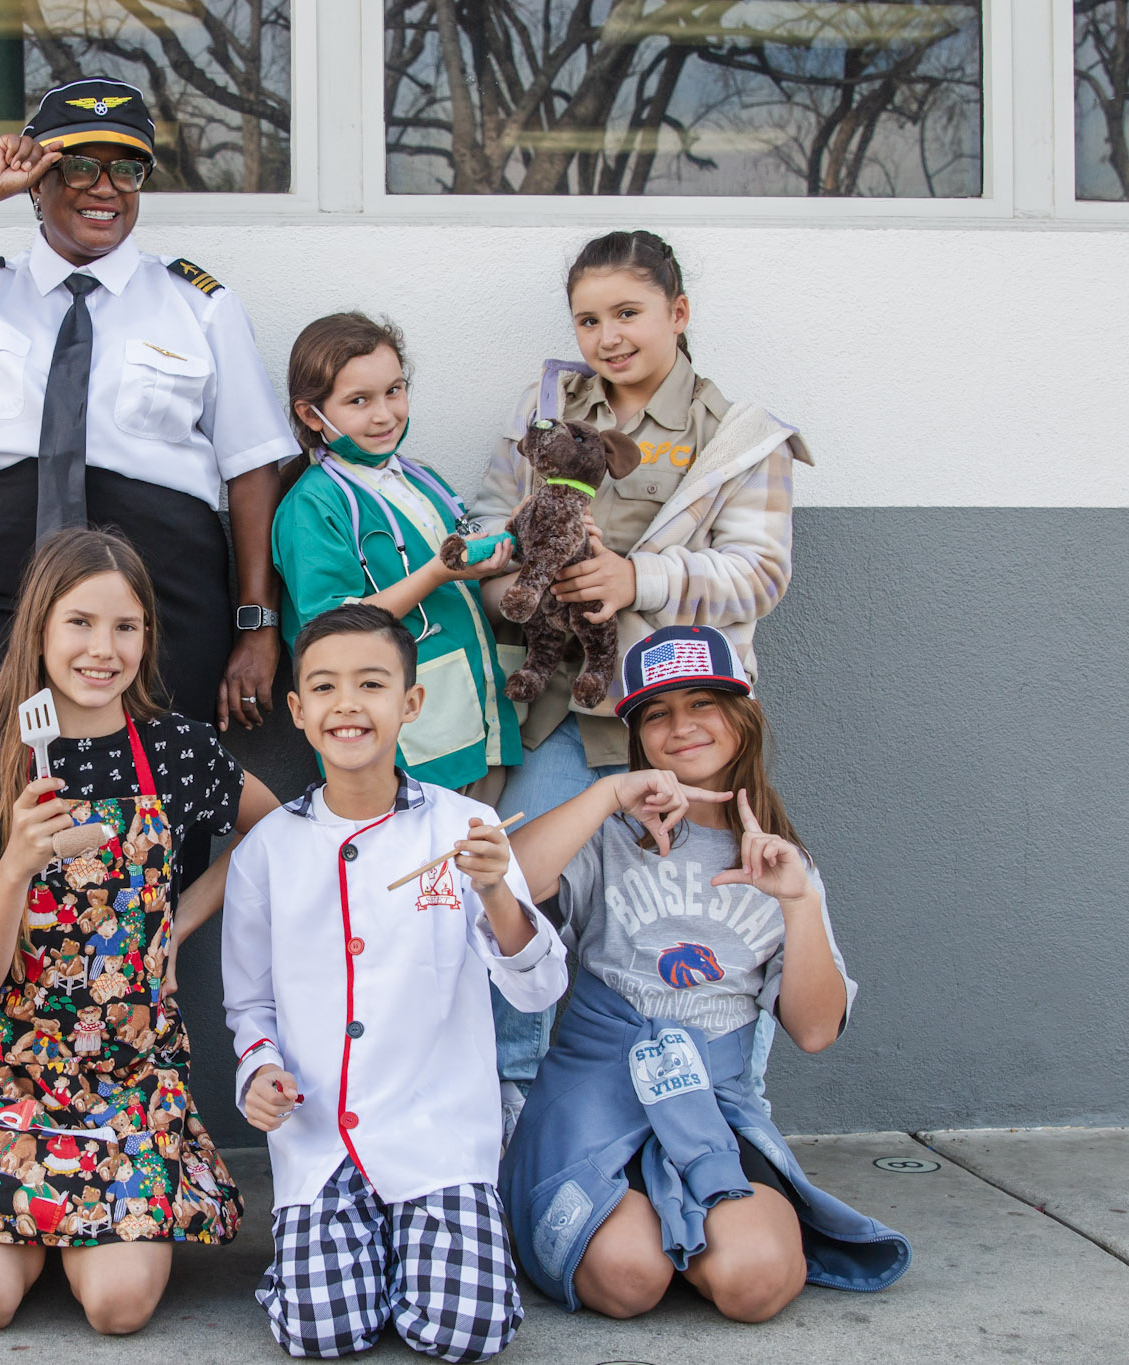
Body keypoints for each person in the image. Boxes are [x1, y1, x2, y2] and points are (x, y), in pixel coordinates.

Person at [0, 77, 295, 746]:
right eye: (79, 166)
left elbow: (252, 468)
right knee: (14, 791)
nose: (104, 187)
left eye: (126, 169)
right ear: (35, 180)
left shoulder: (196, 304)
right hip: (8, 595)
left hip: (164, 600)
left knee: (159, 807)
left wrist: (257, 624)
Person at [465, 230, 810, 1115]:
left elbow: (760, 574)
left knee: (705, 915)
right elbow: (491, 518)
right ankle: (518, 1121)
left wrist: (637, 578)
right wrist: (519, 582)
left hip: (677, 716)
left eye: (629, 313)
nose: (608, 336)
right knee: (516, 901)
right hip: (556, 713)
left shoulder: (739, 435)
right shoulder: (543, 412)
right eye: (589, 319)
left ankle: (727, 1113)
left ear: (678, 313)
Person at [0, 528, 280, 1335]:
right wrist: (17, 859)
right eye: (79, 622)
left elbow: (281, 830)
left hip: (129, 1078)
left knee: (117, 1307)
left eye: (126, 626)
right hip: (12, 1076)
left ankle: (84, 1237)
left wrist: (181, 919)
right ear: (40, 629)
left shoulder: (178, 750)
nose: (102, 648)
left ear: (148, 636)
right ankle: (45, 1232)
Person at [499, 625, 910, 1323]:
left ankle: (686, 1220)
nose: (682, 726)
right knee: (628, 1277)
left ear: (742, 718)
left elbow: (813, 1029)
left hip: (712, 1103)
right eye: (657, 712)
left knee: (753, 1282)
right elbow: (506, 884)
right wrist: (608, 795)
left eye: (702, 703)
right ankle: (650, 1227)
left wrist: (800, 903)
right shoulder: (608, 833)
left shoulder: (784, 861)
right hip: (596, 1094)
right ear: (636, 734)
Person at [222, 604, 565, 1360]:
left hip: (435, 1134)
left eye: (372, 683)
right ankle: (342, 1251)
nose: (348, 703)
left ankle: (428, 1244)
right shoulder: (268, 851)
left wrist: (498, 894)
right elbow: (249, 1003)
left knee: (464, 1331)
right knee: (321, 1332)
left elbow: (537, 989)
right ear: (298, 710)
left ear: (410, 703)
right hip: (321, 1138)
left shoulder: (465, 830)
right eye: (325, 687)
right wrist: (258, 1068)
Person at [273, 314, 519, 800]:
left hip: (474, 711)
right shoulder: (312, 505)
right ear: (310, 415)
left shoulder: (420, 477)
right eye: (358, 401)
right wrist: (437, 573)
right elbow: (332, 632)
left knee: (475, 867)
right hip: (404, 737)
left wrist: (521, 543)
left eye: (394, 390)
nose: (384, 414)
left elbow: (467, 577)